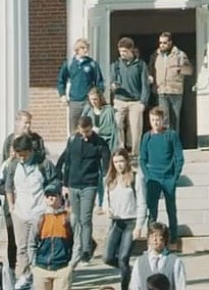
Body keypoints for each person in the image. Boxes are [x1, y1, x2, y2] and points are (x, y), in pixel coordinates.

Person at [1, 133, 53, 289]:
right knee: (21, 246)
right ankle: (25, 275)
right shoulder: (13, 165)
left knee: (34, 245)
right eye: (19, 155)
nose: (21, 158)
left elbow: (53, 181)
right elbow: (8, 186)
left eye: (24, 155)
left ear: (31, 151)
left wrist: (49, 202)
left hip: (39, 210)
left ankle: (36, 274)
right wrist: (11, 206)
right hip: (20, 211)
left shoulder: (43, 164)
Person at [56, 115, 109, 264]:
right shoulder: (73, 140)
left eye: (87, 131)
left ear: (91, 128)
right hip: (73, 184)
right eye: (82, 132)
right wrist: (65, 184)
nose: (85, 135)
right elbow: (68, 162)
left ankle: (85, 250)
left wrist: (106, 177)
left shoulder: (99, 143)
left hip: (89, 185)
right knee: (76, 220)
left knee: (85, 218)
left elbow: (106, 163)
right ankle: (88, 243)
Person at [137, 108, 183, 249]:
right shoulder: (147, 137)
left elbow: (179, 157)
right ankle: (151, 241)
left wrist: (175, 176)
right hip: (153, 178)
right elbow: (142, 159)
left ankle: (173, 240)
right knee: (152, 211)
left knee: (171, 209)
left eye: (158, 120)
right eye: (152, 120)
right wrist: (148, 176)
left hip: (168, 177)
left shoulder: (171, 135)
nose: (155, 123)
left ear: (163, 120)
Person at [101, 150, 139, 290]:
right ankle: (129, 269)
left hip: (131, 221)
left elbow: (142, 202)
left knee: (123, 258)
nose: (119, 165)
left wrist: (140, 225)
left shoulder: (134, 177)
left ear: (127, 161)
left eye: (121, 161)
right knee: (107, 257)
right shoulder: (110, 179)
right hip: (116, 222)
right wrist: (107, 210)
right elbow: (105, 200)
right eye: (116, 162)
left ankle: (125, 286)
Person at [109, 37, 150, 154]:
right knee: (117, 124)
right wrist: (113, 86)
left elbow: (145, 85)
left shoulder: (141, 65)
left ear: (132, 50)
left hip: (135, 101)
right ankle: (121, 150)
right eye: (120, 51)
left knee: (135, 128)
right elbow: (111, 82)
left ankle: (134, 152)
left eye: (125, 51)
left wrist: (143, 101)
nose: (122, 54)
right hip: (120, 100)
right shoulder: (116, 65)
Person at [30, 185, 74, 290]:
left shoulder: (68, 217)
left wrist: (71, 264)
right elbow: (31, 243)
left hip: (62, 268)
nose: (50, 198)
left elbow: (77, 242)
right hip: (41, 268)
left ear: (60, 197)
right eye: (48, 195)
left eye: (53, 195)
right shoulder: (40, 218)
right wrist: (33, 264)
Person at [56, 39, 104, 133]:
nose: (86, 50)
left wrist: (98, 97)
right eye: (83, 48)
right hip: (74, 101)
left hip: (88, 101)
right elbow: (61, 80)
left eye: (87, 48)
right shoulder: (70, 64)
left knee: (89, 126)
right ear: (77, 49)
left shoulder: (92, 64)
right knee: (74, 129)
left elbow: (100, 82)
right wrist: (62, 95)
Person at [151, 34, 190, 138]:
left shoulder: (180, 55)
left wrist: (180, 69)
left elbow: (189, 71)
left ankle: (174, 142)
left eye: (164, 43)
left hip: (175, 91)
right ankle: (165, 142)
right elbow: (151, 71)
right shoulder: (156, 55)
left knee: (175, 120)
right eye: (160, 43)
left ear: (170, 43)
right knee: (163, 119)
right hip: (162, 91)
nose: (162, 45)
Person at [126, 223, 184, 290]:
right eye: (152, 236)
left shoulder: (175, 262)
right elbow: (135, 286)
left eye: (158, 236)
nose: (154, 240)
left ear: (165, 239)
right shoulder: (140, 262)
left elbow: (181, 286)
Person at [83, 87, 116, 153]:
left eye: (95, 99)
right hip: (92, 141)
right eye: (91, 99)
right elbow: (82, 125)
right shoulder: (88, 111)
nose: (93, 102)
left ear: (100, 99)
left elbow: (113, 129)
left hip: (106, 141)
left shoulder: (109, 110)